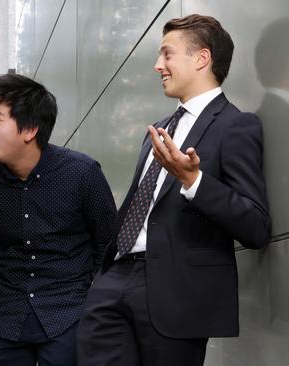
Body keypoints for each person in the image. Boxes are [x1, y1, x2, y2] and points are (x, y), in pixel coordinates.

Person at [77, 14, 271, 366]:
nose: (157, 65)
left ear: (201, 58)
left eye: (167, 55)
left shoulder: (235, 126)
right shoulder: (159, 130)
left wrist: (193, 181)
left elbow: (256, 226)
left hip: (177, 294)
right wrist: (101, 278)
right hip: (112, 282)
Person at [0, 73, 117, 366]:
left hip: (69, 314)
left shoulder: (83, 173)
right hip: (2, 316)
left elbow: (108, 242)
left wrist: (93, 300)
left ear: (29, 129)